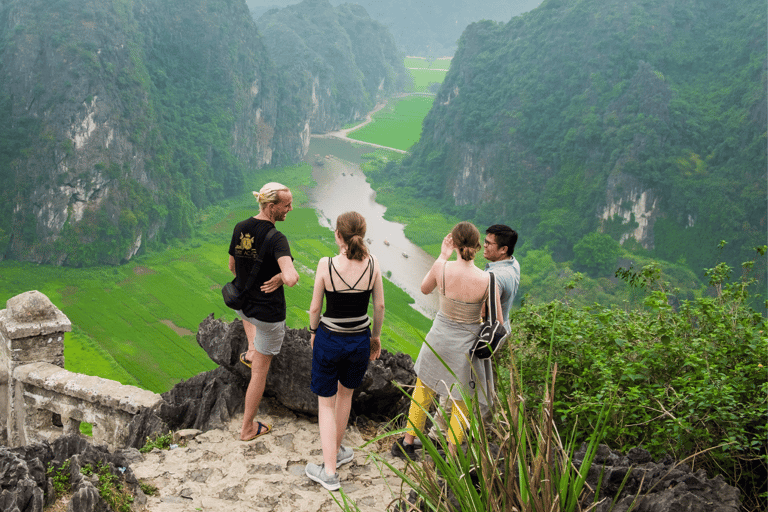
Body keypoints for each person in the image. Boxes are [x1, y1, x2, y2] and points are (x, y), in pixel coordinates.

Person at [391, 222, 502, 459]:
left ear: (454, 242)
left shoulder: (442, 267)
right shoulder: (488, 280)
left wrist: (442, 255)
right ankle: (451, 455)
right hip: (466, 348)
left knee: (423, 391)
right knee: (461, 401)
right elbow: (498, 321)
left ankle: (407, 443)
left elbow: (424, 289)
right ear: (477, 245)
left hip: (438, 339)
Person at [305, 212, 385, 491]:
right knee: (346, 395)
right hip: (359, 340)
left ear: (338, 235)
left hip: (330, 338)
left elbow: (315, 308)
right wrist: (375, 338)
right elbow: (379, 308)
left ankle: (328, 472)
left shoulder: (326, 265)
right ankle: (336, 453)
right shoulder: (373, 264)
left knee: (325, 403)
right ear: (362, 234)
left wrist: (313, 332)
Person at [229, 182, 299, 442]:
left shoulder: (240, 228)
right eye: (287, 205)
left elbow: (232, 266)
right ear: (271, 207)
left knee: (250, 323)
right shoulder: (277, 238)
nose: (290, 209)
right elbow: (292, 278)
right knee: (259, 372)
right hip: (267, 315)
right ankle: (247, 428)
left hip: (244, 307)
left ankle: (251, 349)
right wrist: (281, 276)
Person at [483, 224, 520, 333]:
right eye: (485, 241)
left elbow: (483, 312)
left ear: (503, 249)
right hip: (505, 328)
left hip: (490, 335)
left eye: (488, 243)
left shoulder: (494, 277)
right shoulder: (513, 263)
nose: (484, 245)